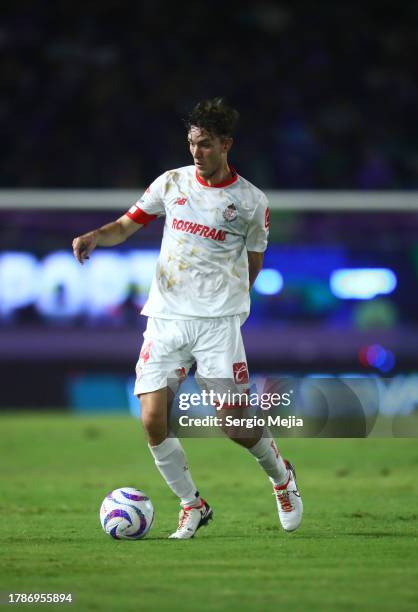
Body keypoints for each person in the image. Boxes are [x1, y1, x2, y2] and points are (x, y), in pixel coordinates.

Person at [72, 98, 303, 539]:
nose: (197, 152)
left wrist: (229, 301)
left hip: (217, 326)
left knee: (234, 425)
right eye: (192, 143)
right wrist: (95, 237)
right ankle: (192, 504)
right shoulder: (172, 183)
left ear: (226, 144)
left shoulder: (251, 202)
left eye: (206, 144)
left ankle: (281, 477)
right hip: (167, 318)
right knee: (152, 417)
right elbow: (128, 223)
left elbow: (254, 263)